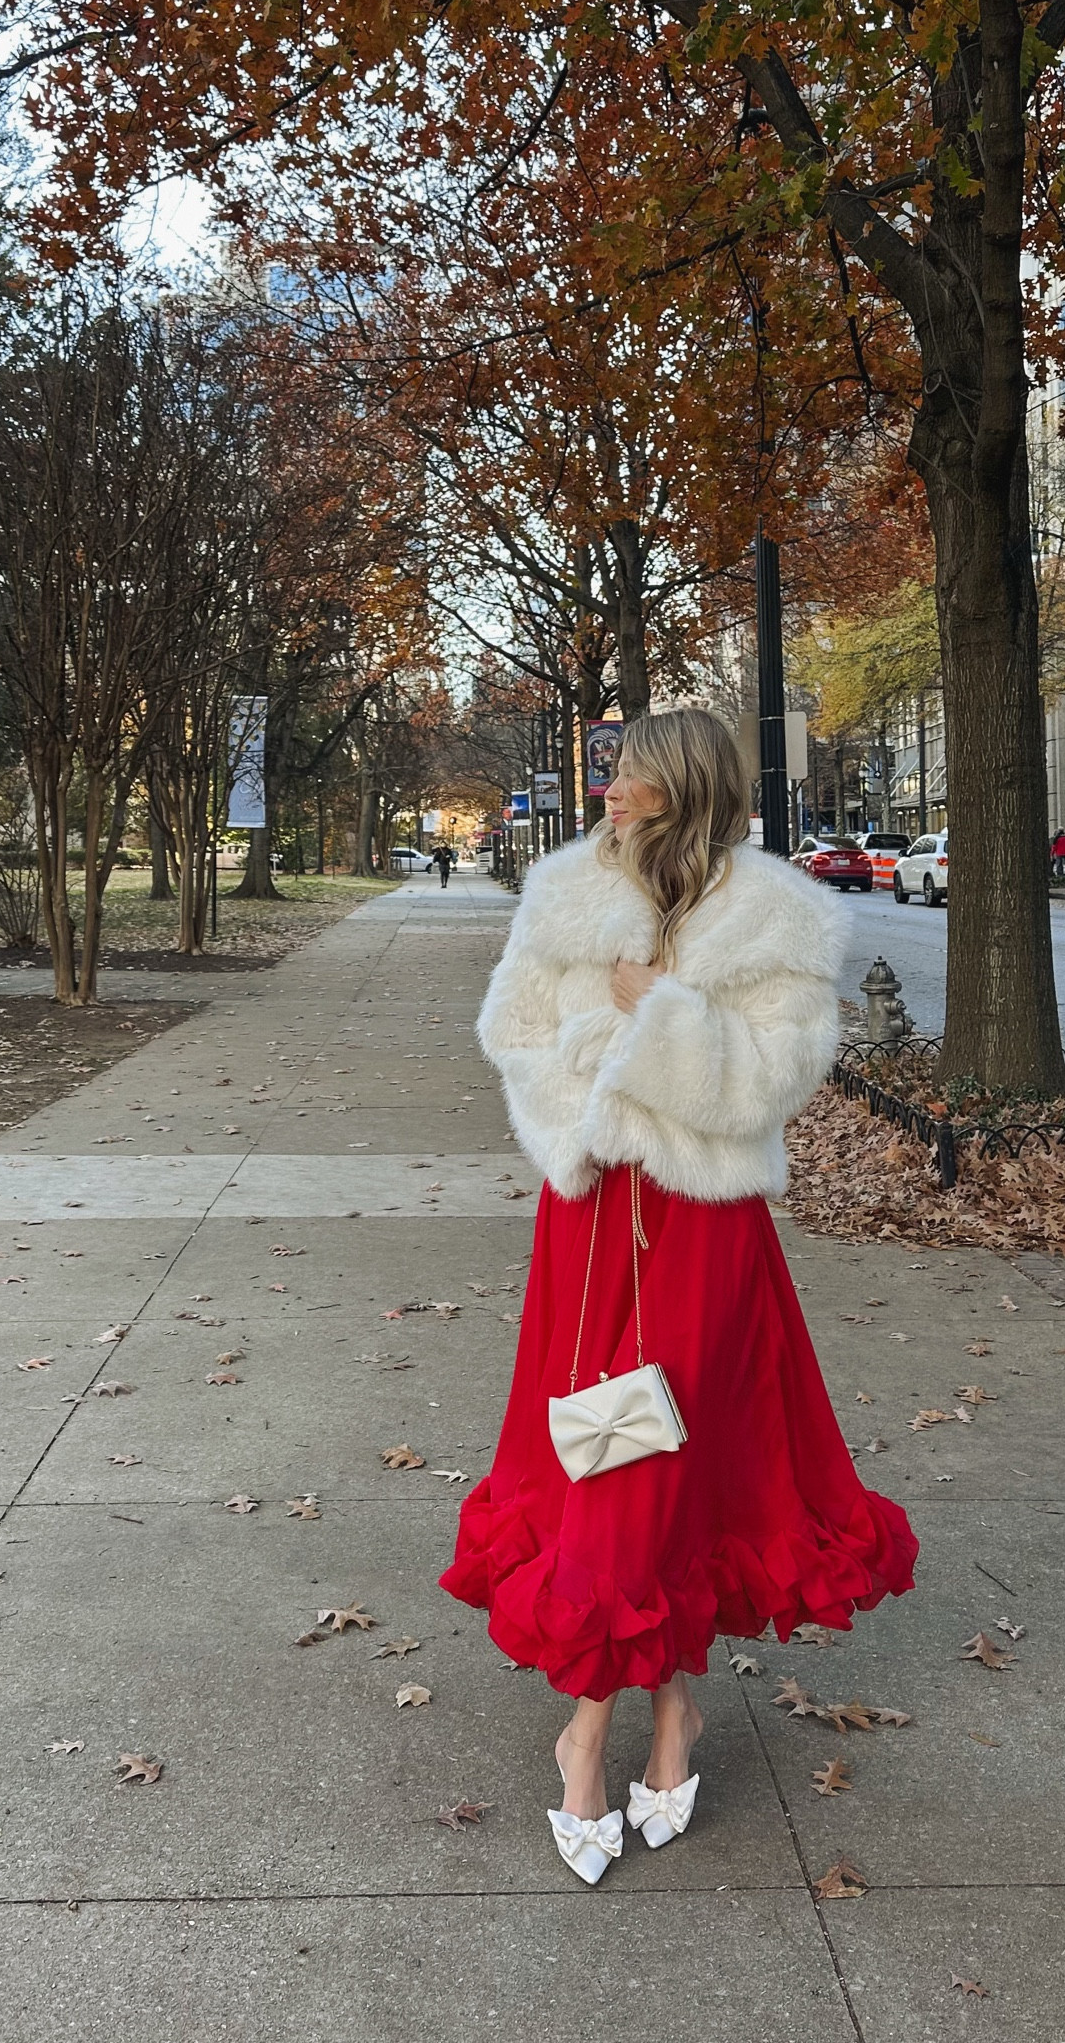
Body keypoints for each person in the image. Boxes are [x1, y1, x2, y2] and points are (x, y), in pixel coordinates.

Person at [440, 707, 917, 1887]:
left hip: (704, 1228)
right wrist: (584, 1121)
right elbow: (512, 1026)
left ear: (687, 783)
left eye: (635, 771)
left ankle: (595, 1730)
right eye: (612, 768)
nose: (612, 785)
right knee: (609, 1453)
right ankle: (655, 1720)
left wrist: (662, 1010)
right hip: (594, 1217)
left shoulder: (773, 914)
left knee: (664, 1459)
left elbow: (776, 1076)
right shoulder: (563, 893)